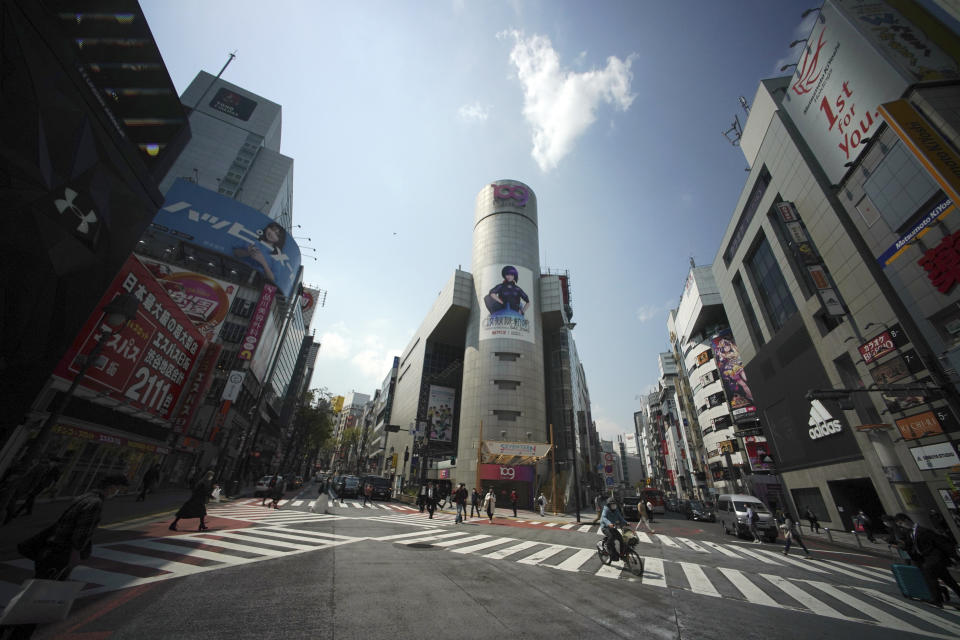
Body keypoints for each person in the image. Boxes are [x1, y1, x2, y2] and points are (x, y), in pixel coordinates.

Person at [894, 512, 960, 608]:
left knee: (930, 578)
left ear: (906, 520)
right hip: (926, 559)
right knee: (948, 580)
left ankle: (937, 599)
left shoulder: (923, 531)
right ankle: (938, 598)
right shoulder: (910, 533)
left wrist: (955, 557)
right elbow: (910, 545)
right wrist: (901, 545)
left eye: (901, 523)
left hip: (934, 558)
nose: (901, 526)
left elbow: (941, 543)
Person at [232, 221, 287, 285]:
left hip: (258, 283)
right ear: (267, 228)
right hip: (237, 273)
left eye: (276, 235)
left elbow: (273, 279)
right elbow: (235, 252)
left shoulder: (277, 256)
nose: (272, 233)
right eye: (272, 229)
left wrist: (263, 263)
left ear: (279, 239)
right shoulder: (254, 241)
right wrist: (248, 252)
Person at [600, 497, 629, 562]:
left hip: (612, 527)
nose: (614, 505)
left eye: (614, 504)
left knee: (621, 539)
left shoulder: (616, 510)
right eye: (612, 504)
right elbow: (604, 518)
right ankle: (607, 545)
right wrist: (609, 523)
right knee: (611, 537)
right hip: (605, 527)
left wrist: (626, 522)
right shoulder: (606, 510)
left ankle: (621, 554)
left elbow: (620, 518)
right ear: (609, 505)